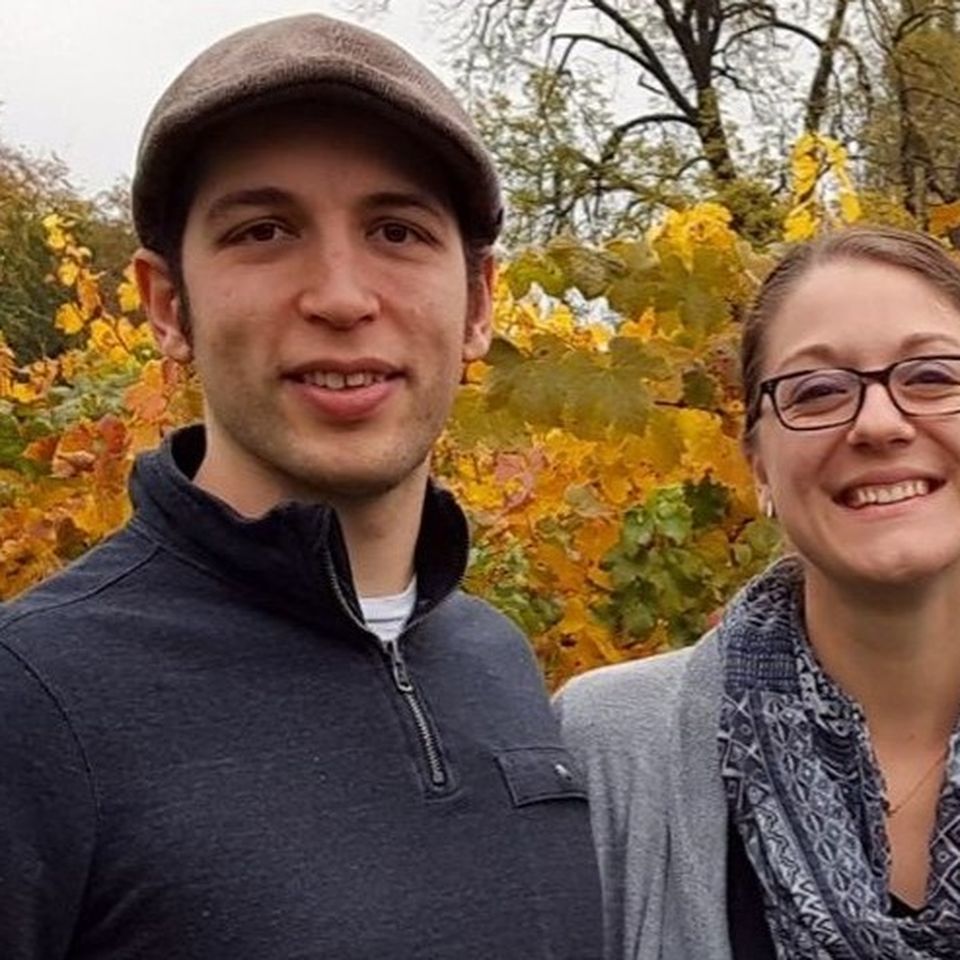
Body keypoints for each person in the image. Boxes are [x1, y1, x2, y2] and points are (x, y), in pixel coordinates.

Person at [0, 14, 603, 959]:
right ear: (168, 305)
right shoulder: (31, 700)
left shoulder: (496, 661)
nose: (341, 297)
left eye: (397, 230)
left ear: (479, 303)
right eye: (264, 231)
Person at [557, 225, 960, 960]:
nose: (879, 424)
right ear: (759, 466)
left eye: (932, 376)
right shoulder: (611, 747)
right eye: (817, 391)